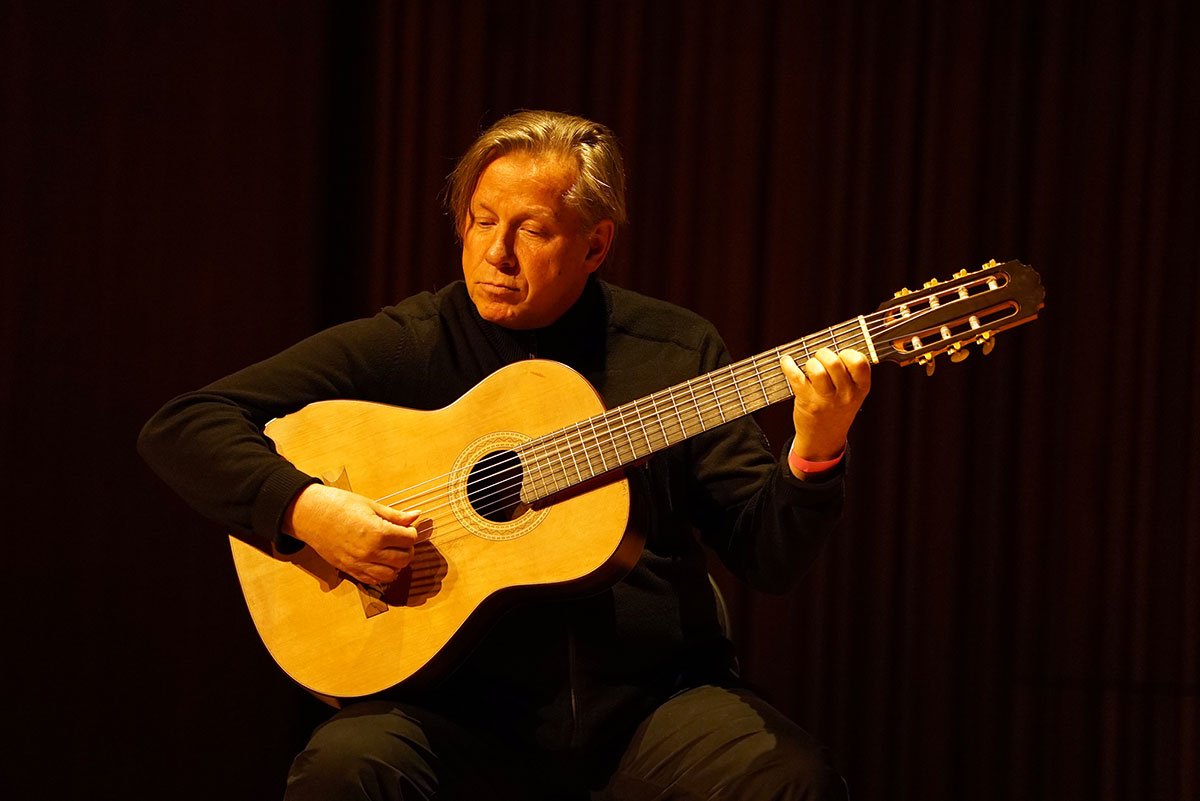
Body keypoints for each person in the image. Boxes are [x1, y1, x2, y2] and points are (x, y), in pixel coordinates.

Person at [139, 109, 871, 800]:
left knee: (789, 779)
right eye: (482, 220)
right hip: (452, 713)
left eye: (532, 229)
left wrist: (816, 447)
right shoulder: (414, 343)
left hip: (649, 707)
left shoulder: (672, 350)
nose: (496, 252)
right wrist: (310, 511)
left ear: (595, 245)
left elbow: (768, 555)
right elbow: (186, 423)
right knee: (345, 768)